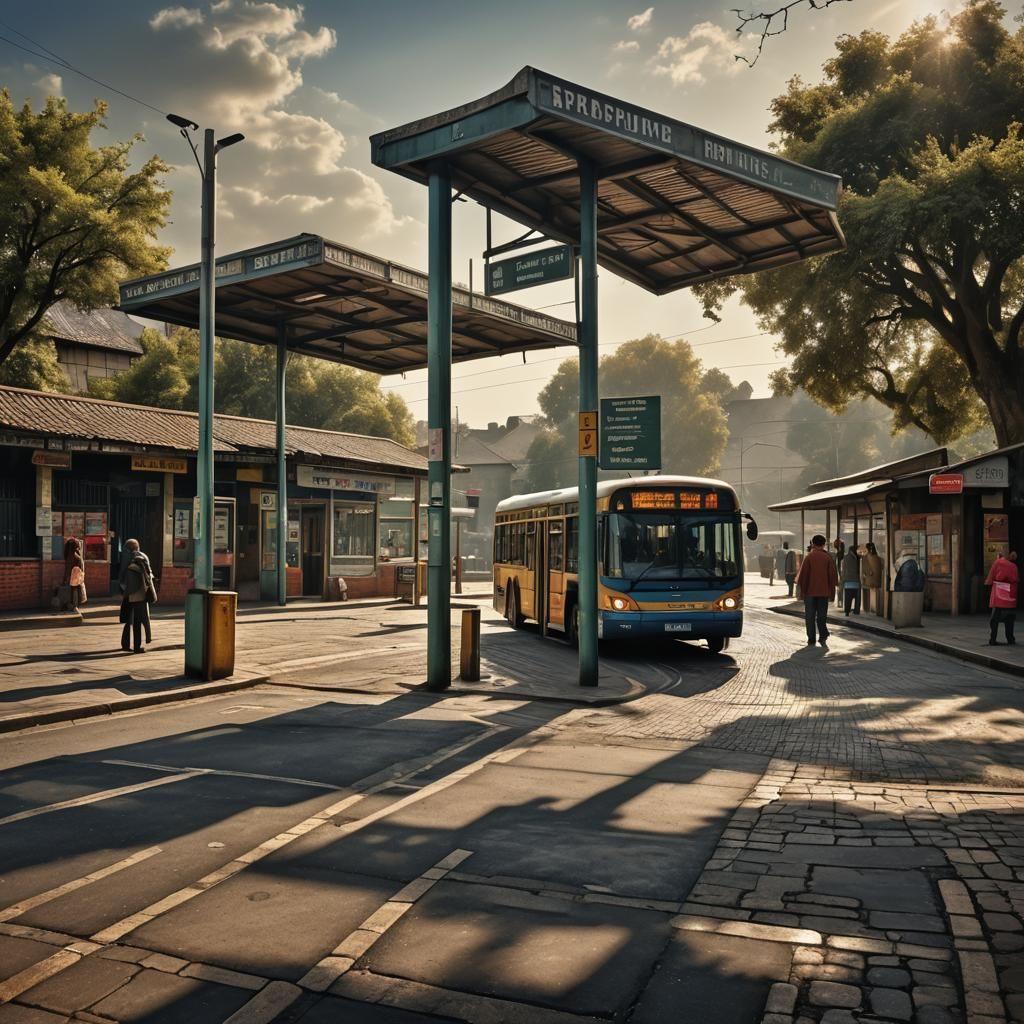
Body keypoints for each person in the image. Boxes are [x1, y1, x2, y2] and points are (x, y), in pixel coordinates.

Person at [796, 534, 839, 647]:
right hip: (823, 592)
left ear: (813, 544)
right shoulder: (827, 557)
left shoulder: (809, 557)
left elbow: (803, 576)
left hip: (810, 592)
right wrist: (832, 592)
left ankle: (811, 638)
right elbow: (833, 577)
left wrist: (803, 592)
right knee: (822, 615)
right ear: (824, 544)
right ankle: (823, 635)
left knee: (809, 616)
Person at [120, 539, 156, 652]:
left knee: (128, 620)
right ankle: (137, 646)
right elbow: (149, 576)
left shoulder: (127, 559)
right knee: (138, 621)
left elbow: (124, 577)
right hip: (140, 595)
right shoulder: (143, 557)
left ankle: (126, 644)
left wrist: (125, 592)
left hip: (130, 594)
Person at [986, 550, 1018, 646]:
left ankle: (993, 639)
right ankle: (1010, 639)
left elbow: (991, 575)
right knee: (1010, 620)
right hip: (1010, 595)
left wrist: (988, 582)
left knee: (994, 620)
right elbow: (1016, 580)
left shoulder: (998, 562)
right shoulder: (1014, 566)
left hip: (999, 594)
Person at [62, 537, 86, 611]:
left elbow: (67, 566)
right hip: (75, 575)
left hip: (69, 574)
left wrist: (65, 577)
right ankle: (75, 605)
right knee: (75, 589)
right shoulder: (77, 556)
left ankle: (69, 604)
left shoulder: (68, 555)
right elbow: (81, 566)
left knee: (70, 589)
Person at [860, 542, 883, 614]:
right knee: (877, 596)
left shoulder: (865, 558)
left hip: (868, 581)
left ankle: (867, 609)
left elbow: (864, 571)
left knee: (867, 597)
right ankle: (877, 610)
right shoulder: (879, 558)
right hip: (878, 582)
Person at [841, 543, 861, 615]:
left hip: (848, 581)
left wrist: (842, 581)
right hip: (855, 580)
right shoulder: (858, 558)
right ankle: (856, 611)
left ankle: (847, 611)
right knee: (857, 597)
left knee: (848, 598)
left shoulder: (846, 558)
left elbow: (843, 571)